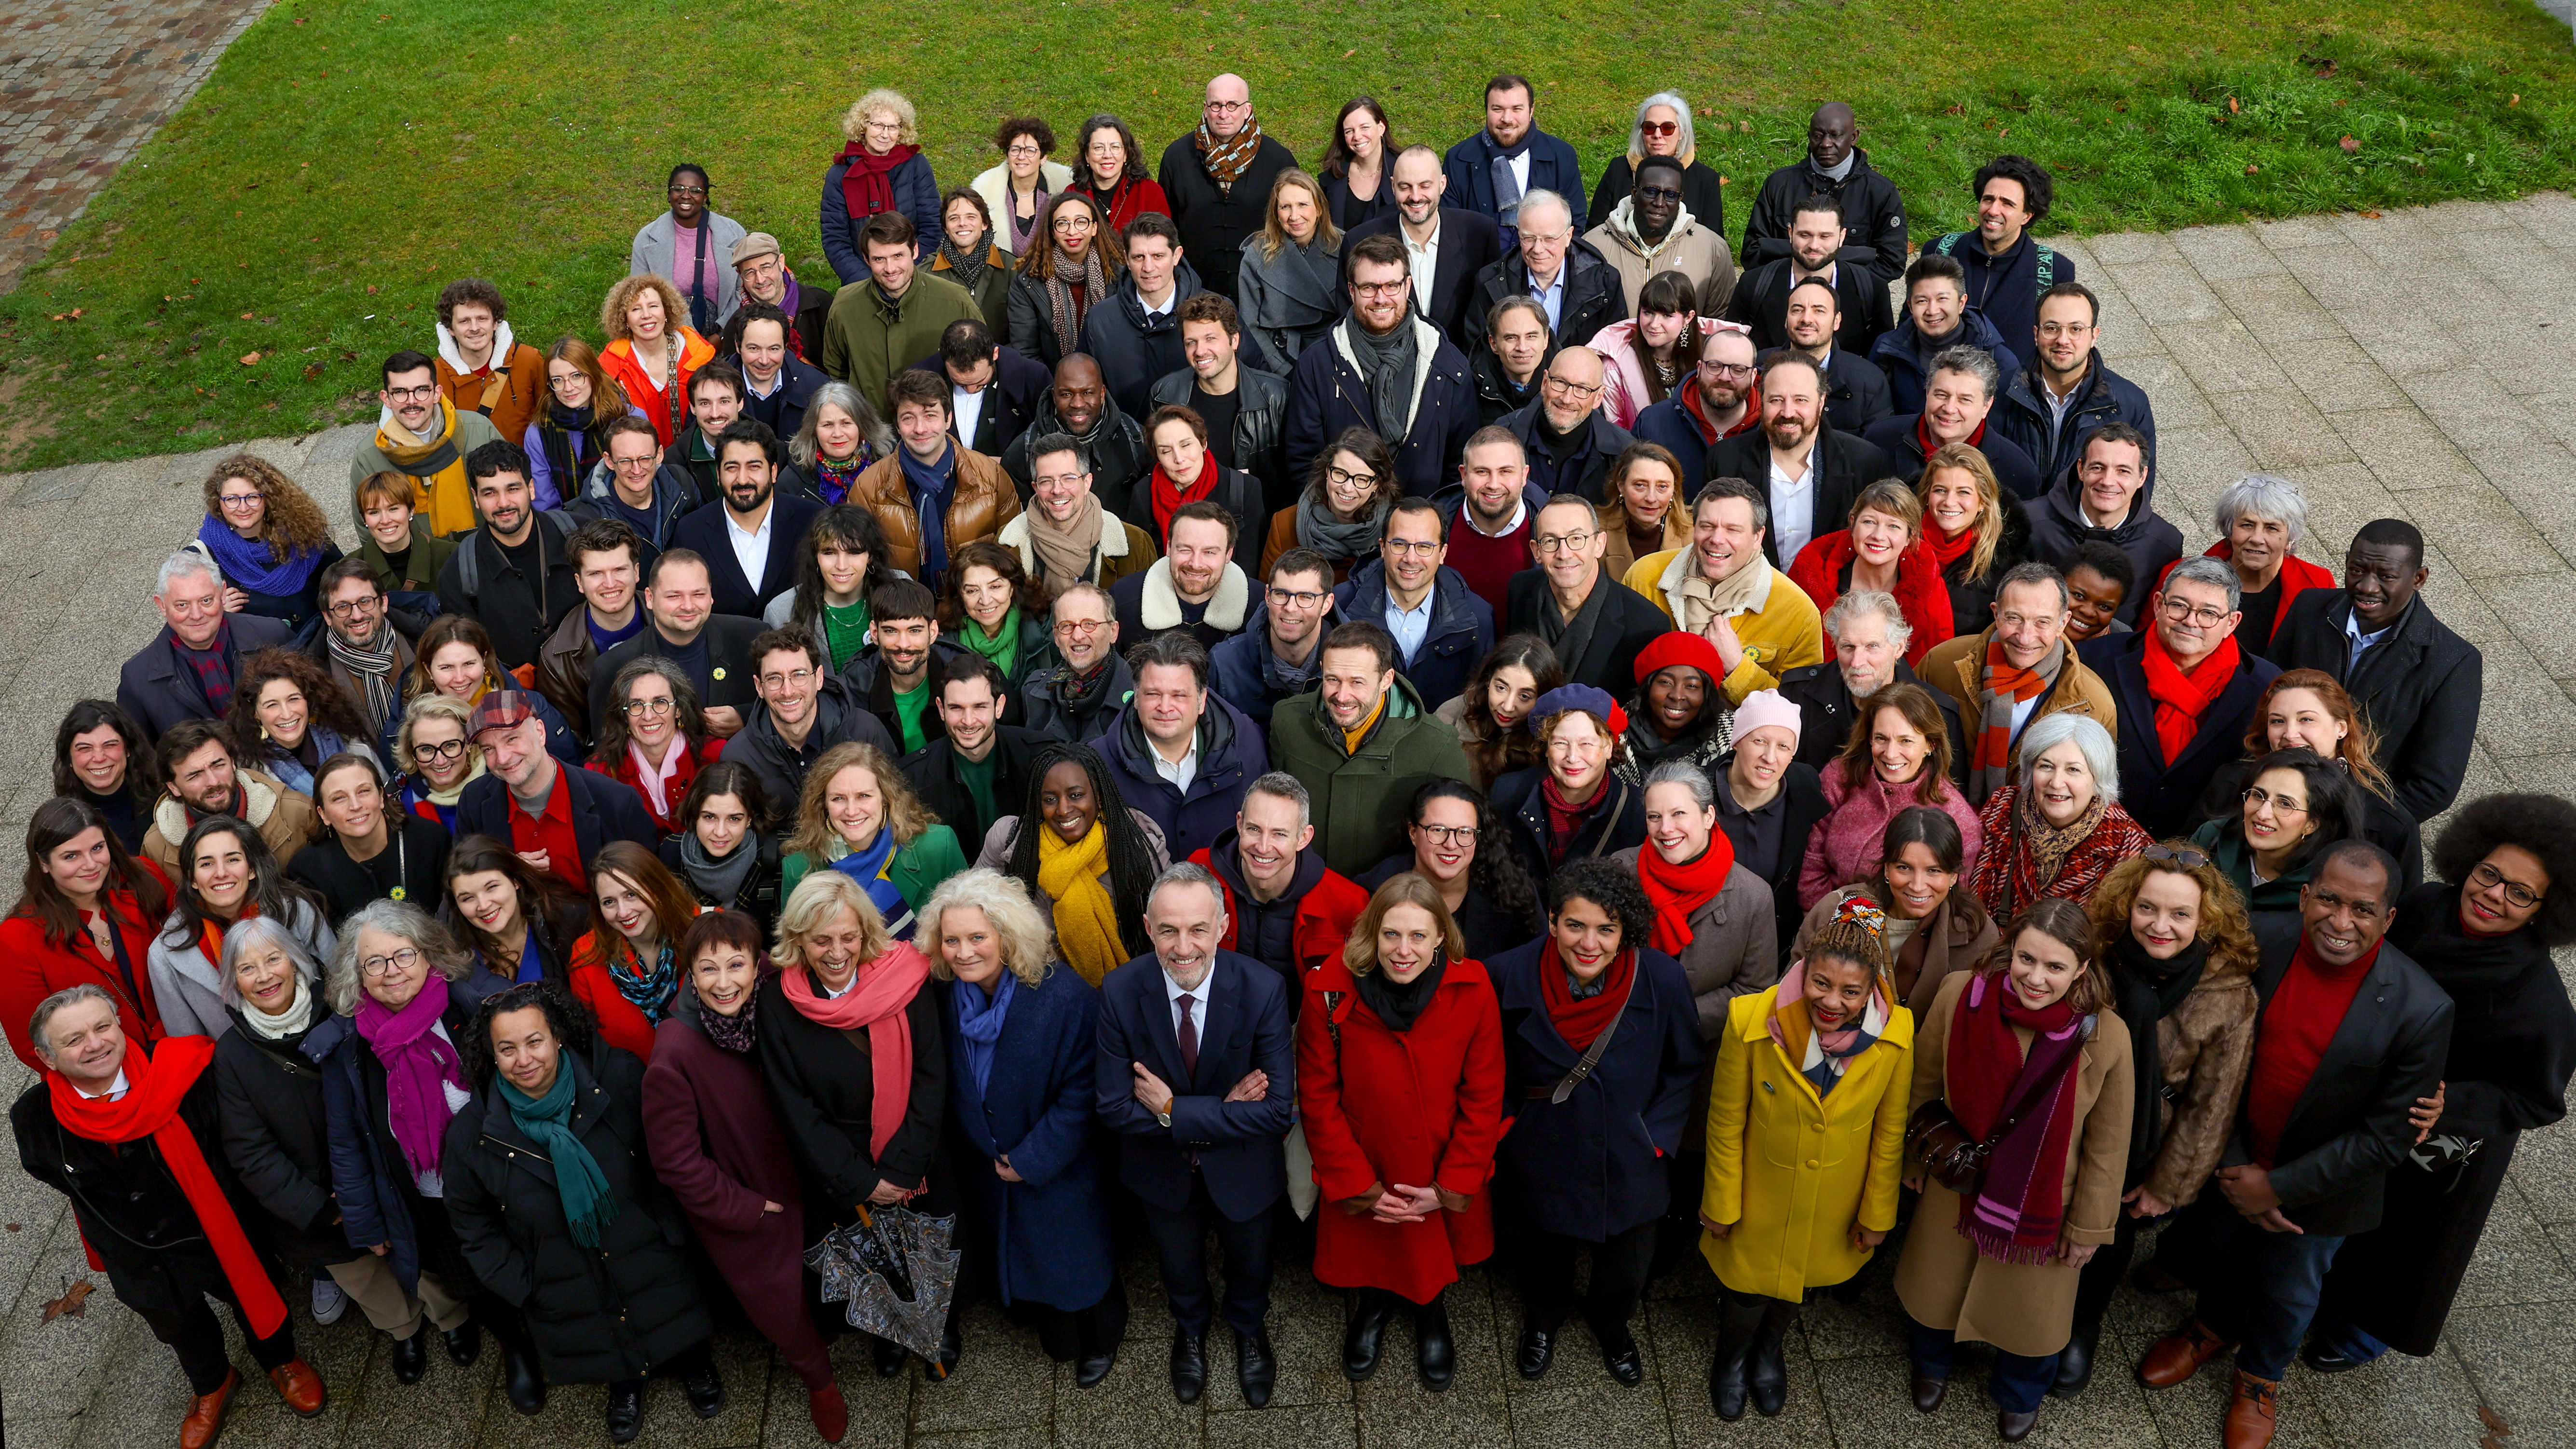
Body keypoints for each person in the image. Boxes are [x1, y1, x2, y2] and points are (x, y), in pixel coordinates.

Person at [2135, 842, 2449, 1449]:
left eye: (2363, 909)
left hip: (2323, 1191)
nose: (2341, 920)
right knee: (2223, 1250)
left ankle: (2259, 1378)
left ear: (2387, 918)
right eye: (2328, 899)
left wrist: (2276, 1187)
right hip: (2235, 1156)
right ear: (2305, 897)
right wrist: (2236, 1165)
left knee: (2290, 1289)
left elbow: (2387, 1135)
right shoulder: (2261, 941)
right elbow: (2214, 1059)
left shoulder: (2424, 1008)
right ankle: (2210, 1327)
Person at [2308, 795, 2576, 1373]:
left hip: (2441, 1136)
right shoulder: (2425, 904)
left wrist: (2451, 1101)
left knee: (2403, 1241)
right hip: (2368, 1089)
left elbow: (2537, 1098)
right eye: (2489, 873)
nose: (2493, 894)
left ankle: (2360, 1329)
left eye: (2520, 892)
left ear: (2545, 910)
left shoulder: (2542, 1005)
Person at [13, 985, 328, 1440]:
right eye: (74, 1039)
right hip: (135, 1252)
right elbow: (52, 1172)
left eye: (103, 1026)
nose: (96, 1044)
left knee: (250, 1291)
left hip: (212, 1229)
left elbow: (231, 1147)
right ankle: (213, 1381)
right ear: (47, 1057)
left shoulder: (185, 1071)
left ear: (119, 1025)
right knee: (177, 1323)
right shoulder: (32, 1119)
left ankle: (280, 1359)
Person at [1895, 899, 2133, 1442]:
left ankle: (2019, 1393)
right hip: (1957, 1184)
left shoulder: (2107, 1035)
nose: (2035, 977)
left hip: (2045, 1204)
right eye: (2026, 959)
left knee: (2031, 1321)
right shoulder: (1960, 993)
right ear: (2009, 949)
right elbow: (1923, 1084)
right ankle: (1931, 1362)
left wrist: (2088, 1226)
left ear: (2082, 968)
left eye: (2055, 966)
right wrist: (1914, 1157)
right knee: (1936, 1289)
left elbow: (2108, 1145)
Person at [446, 980, 723, 1439]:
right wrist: (523, 1284)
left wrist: (669, 1229)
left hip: (649, 1252)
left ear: (557, 1036)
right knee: (605, 1335)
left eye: (535, 1041)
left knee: (673, 1320)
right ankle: (625, 1382)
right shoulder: (471, 1135)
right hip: (561, 1278)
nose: (524, 1059)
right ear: (492, 1055)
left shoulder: (620, 1078)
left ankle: (694, 1362)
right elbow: (472, 1223)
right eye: (507, 1049)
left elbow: (667, 1156)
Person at [313, 900, 546, 1412]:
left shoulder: (471, 1007)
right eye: (375, 961)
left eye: (403, 954)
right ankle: (516, 1346)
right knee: (472, 1278)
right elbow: (347, 1139)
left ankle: (556, 1329)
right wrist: (365, 1220)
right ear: (358, 973)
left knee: (537, 1257)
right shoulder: (349, 1044)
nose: (392, 970)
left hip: (506, 1175)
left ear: (427, 954)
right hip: (429, 1194)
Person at [2051, 842, 2261, 1395]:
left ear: (2205, 918)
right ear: (2128, 904)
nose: (2159, 925)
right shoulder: (2097, 951)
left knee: (2110, 1234)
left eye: (2179, 913)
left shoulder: (2228, 992)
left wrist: (2168, 1185)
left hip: (2146, 1135)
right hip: (2072, 1108)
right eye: (2147, 907)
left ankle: (2082, 1326)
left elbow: (2213, 1103)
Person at [213, 915, 456, 1384]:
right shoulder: (232, 1055)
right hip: (318, 1203)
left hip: (381, 1169)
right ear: (233, 981)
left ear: (295, 960)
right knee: (364, 1276)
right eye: (247, 968)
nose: (264, 976)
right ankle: (403, 1329)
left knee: (420, 1250)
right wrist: (319, 1207)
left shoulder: (341, 1005)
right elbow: (250, 1153)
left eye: (273, 958)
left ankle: (451, 1318)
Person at [1489, 859, 1704, 1384]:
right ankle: (1542, 1320)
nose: (1589, 943)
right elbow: (1486, 1066)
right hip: (1544, 1143)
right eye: (1575, 925)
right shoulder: (1505, 974)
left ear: (1624, 931)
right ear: (1552, 920)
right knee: (1543, 1250)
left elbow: (1684, 1065)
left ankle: (1612, 1327)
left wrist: (1655, 1140)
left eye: (1606, 929)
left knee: (1627, 1263)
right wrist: (1510, 1127)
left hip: (1630, 1152)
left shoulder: (1662, 978)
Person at [1698, 895, 1910, 1422]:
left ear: (1871, 989)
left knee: (1798, 1282)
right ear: (1803, 969)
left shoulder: (1897, 1034)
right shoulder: (1750, 1019)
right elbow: (1724, 1123)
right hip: (1758, 1195)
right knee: (1746, 1289)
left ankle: (1768, 1352)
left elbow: (1888, 1134)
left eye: (1850, 991)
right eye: (1821, 983)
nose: (1832, 1001)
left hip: (1831, 1201)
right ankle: (1732, 1358)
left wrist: (1876, 1214)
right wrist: (1720, 1202)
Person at [1093, 862, 1297, 1405]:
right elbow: (1113, 1107)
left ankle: (1249, 1327)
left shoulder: (1263, 989)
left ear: (1222, 926)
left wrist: (1170, 1109)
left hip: (1244, 1170)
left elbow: (1277, 1110)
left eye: (1198, 929)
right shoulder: (1119, 990)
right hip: (1162, 1173)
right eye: (1168, 930)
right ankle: (1190, 1327)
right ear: (1148, 927)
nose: (1183, 948)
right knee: (1178, 1263)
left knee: (1251, 1261)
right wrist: (1222, 1111)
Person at [640, 911, 848, 1440]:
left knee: (827, 1272)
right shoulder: (674, 1051)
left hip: (811, 1175)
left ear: (758, 965)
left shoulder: (781, 1001)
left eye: (736, 965)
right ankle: (820, 1382)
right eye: (708, 969)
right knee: (782, 1306)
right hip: (754, 1198)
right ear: (690, 974)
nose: (724, 982)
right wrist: (748, 1207)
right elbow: (677, 1163)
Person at [919, 872, 1131, 1389]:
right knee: (1028, 1270)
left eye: (978, 937)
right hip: (988, 1165)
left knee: (1077, 1266)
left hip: (1057, 1166)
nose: (963, 952)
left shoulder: (1064, 996)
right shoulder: (943, 995)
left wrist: (1031, 1159)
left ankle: (1104, 1335)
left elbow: (1083, 1092)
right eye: (951, 939)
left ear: (1007, 935)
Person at [1299, 872, 1504, 1391]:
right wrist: (1360, 1186)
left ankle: (1431, 1310)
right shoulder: (1327, 988)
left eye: (1418, 935)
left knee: (1428, 1247)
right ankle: (1372, 1305)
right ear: (1371, 932)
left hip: (1439, 1156)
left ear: (1440, 937)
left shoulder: (1474, 986)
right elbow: (1317, 1097)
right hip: (1365, 1154)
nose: (1403, 950)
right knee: (1374, 1245)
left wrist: (1450, 1186)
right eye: (1390, 934)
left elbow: (1484, 1094)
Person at [756, 865, 959, 1387]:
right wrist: (860, 1179)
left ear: (866, 932)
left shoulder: (907, 978)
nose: (836, 951)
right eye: (821, 939)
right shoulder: (777, 1002)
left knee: (928, 1247)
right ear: (798, 938)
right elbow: (794, 1105)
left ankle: (940, 1323)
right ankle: (892, 1330)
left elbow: (932, 1076)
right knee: (869, 1257)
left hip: (912, 1147)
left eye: (848, 936)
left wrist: (901, 1167)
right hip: (840, 1161)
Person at [2269, 518, 2481, 823]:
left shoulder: (2454, 662)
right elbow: (2265, 698)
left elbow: (2433, 788)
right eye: (2357, 570)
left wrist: (2340, 823)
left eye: (2387, 576)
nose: (2367, 587)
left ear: (2419, 578)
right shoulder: (2308, 608)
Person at [2079, 554, 2283, 840]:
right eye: (2178, 606)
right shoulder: (2095, 660)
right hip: (2092, 833)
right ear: (2158, 604)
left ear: (2232, 622)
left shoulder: (2266, 688)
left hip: (2197, 848)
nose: (2190, 621)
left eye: (2209, 613)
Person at [1269, 621, 1474, 877]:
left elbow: (1462, 836)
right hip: (1305, 887)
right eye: (1333, 679)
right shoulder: (1288, 722)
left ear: (1386, 680)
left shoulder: (1437, 745)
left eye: (1357, 682)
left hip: (1387, 894)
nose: (1342, 696)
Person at [2194, 668, 2424, 894]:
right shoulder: (2231, 783)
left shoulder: (2389, 824)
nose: (2290, 734)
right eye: (2277, 721)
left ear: (2341, 728)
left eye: (2306, 719)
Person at [1285, 232, 1479, 498]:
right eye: (1369, 287)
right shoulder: (1317, 365)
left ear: (1407, 286)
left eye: (1391, 286)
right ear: (1351, 290)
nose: (1381, 298)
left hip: (1424, 519)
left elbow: (1461, 465)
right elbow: (1304, 461)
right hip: (1344, 518)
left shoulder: (1448, 364)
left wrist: (1430, 517)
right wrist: (1337, 515)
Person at [1917, 561, 2116, 802]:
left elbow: (2094, 795)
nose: (2025, 637)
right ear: (1996, 613)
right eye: (2014, 618)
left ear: (2063, 623)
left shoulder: (2094, 704)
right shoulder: (1941, 664)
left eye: (2042, 622)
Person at [0, 798, 172, 1073]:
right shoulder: (16, 938)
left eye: (97, 848)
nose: (91, 864)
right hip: (102, 1076)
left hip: (179, 1047)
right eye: (71, 856)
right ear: (43, 863)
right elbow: (32, 1044)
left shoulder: (143, 879)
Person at [1626, 478, 1829, 705]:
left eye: (1733, 530)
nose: (1717, 539)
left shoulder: (1798, 611)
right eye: (1707, 526)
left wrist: (1737, 667)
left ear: (1758, 537)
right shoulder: (1644, 577)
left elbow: (1799, 709)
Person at [1178, 771, 1369, 999]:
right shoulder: (1199, 872)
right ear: (1239, 824)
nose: (1263, 847)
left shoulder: (1349, 903)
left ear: (1304, 838)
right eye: (1254, 829)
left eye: (1279, 834)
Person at [146, 814, 337, 1039]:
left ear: (252, 869)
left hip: (319, 1045)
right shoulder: (164, 954)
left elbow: (339, 990)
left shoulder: (296, 911)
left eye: (233, 860)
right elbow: (190, 1044)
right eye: (207, 864)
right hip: (233, 1061)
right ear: (193, 879)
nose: (221, 873)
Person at [452, 690, 661, 894]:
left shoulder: (616, 802)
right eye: (489, 749)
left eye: (511, 739)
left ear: (540, 733)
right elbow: (463, 878)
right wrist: (506, 870)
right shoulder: (474, 801)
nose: (503, 758)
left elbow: (653, 885)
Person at [1798, 682, 1981, 908]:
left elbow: (1951, 902)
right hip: (1828, 916)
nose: (1891, 754)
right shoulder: (1840, 778)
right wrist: (1824, 916)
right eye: (1881, 738)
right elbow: (1812, 862)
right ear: (1869, 738)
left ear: (1931, 745)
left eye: (1906, 741)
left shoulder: (1958, 819)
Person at [1702, 355, 1891, 572]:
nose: (1788, 413)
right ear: (1762, 401)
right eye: (1776, 400)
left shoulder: (1864, 461)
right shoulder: (1725, 460)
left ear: (1821, 401)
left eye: (1801, 400)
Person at [1968, 712, 2152, 921]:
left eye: (2073, 770)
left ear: (2098, 778)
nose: (2056, 783)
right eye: (2046, 766)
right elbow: (1973, 907)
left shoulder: (2130, 848)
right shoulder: (2002, 810)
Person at [777, 735, 971, 931]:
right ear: (824, 805)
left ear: (885, 798)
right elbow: (794, 946)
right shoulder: (798, 870)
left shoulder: (939, 848)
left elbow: (968, 930)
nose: (852, 811)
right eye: (838, 798)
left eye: (864, 796)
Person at [585, 551, 767, 749]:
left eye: (699, 594)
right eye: (674, 596)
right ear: (650, 598)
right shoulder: (612, 668)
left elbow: (785, 703)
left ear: (711, 595)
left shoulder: (753, 638)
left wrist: (745, 718)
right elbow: (607, 751)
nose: (688, 606)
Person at [1922, 156, 2078, 379]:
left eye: (2007, 203)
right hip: (1938, 384)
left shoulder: (2054, 271)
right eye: (1988, 199)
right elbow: (1910, 323)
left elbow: (2060, 346)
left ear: (2027, 216)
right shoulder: (1939, 251)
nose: (1993, 211)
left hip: (2011, 388)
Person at [119, 549, 298, 744]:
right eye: (182, 605)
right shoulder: (137, 679)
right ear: (162, 605)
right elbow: (141, 756)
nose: (196, 615)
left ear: (222, 593)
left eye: (206, 601)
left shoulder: (273, 636)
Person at [1502, 491, 1673, 695]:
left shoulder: (1647, 625)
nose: (1564, 554)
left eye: (1577, 539)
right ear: (1536, 551)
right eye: (1550, 541)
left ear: (1599, 545)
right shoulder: (1521, 590)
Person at [1331, 497, 1493, 711]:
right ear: (1383, 547)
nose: (1411, 558)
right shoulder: (1341, 605)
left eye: (1424, 547)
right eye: (1400, 544)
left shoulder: (1477, 619)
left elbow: (1479, 705)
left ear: (1442, 553)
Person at [434, 441, 581, 674]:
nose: (503, 503)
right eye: (490, 493)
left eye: (513, 489)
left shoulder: (581, 535)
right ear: (475, 498)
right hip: (516, 692)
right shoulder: (456, 575)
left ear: (531, 488)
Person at [1341, 144, 1506, 350]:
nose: (1416, 196)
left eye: (1425, 186)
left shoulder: (1479, 233)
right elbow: (1349, 320)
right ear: (1393, 187)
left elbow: (1492, 313)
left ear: (1442, 185)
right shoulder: (1358, 241)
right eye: (1405, 187)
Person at [1993, 283, 2157, 486]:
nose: (2063, 340)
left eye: (2076, 329)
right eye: (2051, 328)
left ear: (2094, 336)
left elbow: (2138, 486)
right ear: (2036, 334)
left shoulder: (2131, 404)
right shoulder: (1997, 391)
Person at [1358, 778, 1541, 960]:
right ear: (1413, 833)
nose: (1451, 845)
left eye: (1464, 832)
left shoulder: (1512, 893)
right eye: (1438, 830)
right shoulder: (1369, 894)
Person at [820, 213, 981, 419]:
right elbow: (837, 371)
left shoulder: (955, 301)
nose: (890, 269)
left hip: (937, 428)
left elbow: (980, 361)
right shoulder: (844, 306)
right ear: (866, 259)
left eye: (898, 256)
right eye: (879, 259)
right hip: (871, 428)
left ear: (915, 251)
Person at [1486, 683, 1649, 883]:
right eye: (1560, 743)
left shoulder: (1637, 812)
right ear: (1546, 747)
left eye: (1586, 744)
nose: (1572, 757)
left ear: (1609, 747)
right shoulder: (1507, 793)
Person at [1158, 73, 1299, 304]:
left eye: (1233, 105)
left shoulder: (1279, 160)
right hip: (1194, 294)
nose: (1224, 114)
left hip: (1262, 294)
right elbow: (1165, 227)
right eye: (1216, 105)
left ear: (1247, 109)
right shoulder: (1177, 157)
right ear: (1206, 109)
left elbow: (1296, 227)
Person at [2025, 422, 2180, 630]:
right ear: (2081, 469)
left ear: (2142, 477)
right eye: (2098, 467)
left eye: (2123, 471)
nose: (2108, 481)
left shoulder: (2164, 544)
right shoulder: (2028, 522)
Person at [1787, 479, 1954, 668]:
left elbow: (1939, 662)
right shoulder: (1808, 578)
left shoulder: (1931, 587)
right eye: (1869, 522)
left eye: (1894, 526)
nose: (1878, 535)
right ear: (1853, 523)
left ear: (1910, 537)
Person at [1087, 213, 1236, 422]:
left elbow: (1252, 379)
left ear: (1176, 256)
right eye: (1139, 257)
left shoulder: (1218, 311)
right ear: (1126, 259)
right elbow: (1085, 390)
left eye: (1158, 256)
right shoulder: (1100, 321)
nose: (1148, 268)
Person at [1716, 691, 1833, 958]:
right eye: (1759, 741)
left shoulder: (1806, 791)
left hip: (1775, 951)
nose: (1770, 757)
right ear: (1737, 741)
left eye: (1783, 747)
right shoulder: (1697, 796)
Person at [1739, 102, 1908, 285]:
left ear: (1853, 137)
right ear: (1809, 137)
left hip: (1850, 294)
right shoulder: (1779, 184)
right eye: (1818, 136)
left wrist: (1836, 283)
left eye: (1836, 136)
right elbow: (1752, 252)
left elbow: (1891, 262)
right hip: (1785, 291)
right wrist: (1798, 281)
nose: (1826, 144)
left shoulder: (1880, 192)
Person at [671, 419, 825, 619]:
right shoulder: (690, 532)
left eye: (754, 467)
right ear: (718, 474)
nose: (743, 479)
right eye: (732, 468)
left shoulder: (812, 520)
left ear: (773, 472)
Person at [387, 614, 582, 769]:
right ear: (428, 669)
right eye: (447, 667)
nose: (460, 678)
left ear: (484, 660)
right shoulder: (409, 721)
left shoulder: (530, 706)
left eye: (469, 664)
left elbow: (566, 766)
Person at [350, 350, 507, 540]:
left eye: (422, 390)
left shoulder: (479, 430)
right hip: (421, 558)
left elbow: (511, 492)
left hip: (487, 547)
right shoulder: (368, 456)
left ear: (437, 394)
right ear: (386, 398)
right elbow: (368, 530)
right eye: (400, 392)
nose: (412, 401)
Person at [564, 840, 699, 1060]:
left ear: (656, 889)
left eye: (631, 895)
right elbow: (587, 1041)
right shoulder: (587, 956)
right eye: (609, 902)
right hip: (634, 1078)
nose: (623, 912)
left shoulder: (704, 931)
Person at [1154, 294, 1292, 508]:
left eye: (1210, 338)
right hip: (1189, 518)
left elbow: (1291, 475)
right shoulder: (1164, 395)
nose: (1200, 351)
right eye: (1191, 342)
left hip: (1257, 519)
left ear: (1234, 340)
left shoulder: (1277, 395)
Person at [2178, 474, 2336, 659]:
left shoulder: (2318, 584)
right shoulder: (2180, 577)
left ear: (2290, 539)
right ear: (2230, 530)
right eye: (2247, 525)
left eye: (2272, 528)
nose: (2257, 539)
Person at [2189, 747, 2361, 915]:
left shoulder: (2325, 889)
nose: (2263, 814)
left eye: (2285, 804)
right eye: (2258, 795)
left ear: (2312, 824)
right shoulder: (2212, 838)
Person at [999, 431, 1160, 606]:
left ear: (1087, 482)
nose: (1057, 490)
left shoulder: (1135, 544)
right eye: (1046, 481)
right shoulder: (1007, 545)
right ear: (1035, 488)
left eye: (1068, 479)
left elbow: (1148, 611)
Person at [197, 454, 344, 643]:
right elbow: (186, 622)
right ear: (218, 502)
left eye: (252, 497)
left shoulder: (303, 532)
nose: (243, 508)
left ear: (268, 498)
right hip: (264, 657)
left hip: (321, 643)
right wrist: (216, 614)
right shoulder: (202, 556)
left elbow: (344, 579)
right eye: (232, 499)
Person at [1863, 346, 2043, 501]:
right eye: (1941, 395)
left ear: (1987, 406)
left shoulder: (2016, 470)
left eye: (1965, 400)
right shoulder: (1881, 440)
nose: (1949, 409)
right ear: (1927, 393)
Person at [1725, 198, 1897, 361]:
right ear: (1791, 233)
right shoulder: (1753, 284)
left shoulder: (1872, 289)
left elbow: (1882, 360)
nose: (1814, 245)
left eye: (1825, 236)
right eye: (1805, 235)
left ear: (1842, 237)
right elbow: (1732, 352)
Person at [139, 718, 318, 874]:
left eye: (218, 765)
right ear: (174, 787)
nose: (213, 781)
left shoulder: (298, 812)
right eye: (195, 775)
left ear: (233, 762)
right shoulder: (157, 846)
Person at [1465, 189, 1623, 365]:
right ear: (1519, 234)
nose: (1538, 249)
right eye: (1528, 238)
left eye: (1549, 239)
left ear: (1569, 236)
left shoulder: (1604, 283)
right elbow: (1477, 354)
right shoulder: (1490, 284)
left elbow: (1615, 354)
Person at [289, 751, 452, 920]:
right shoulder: (308, 870)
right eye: (339, 798)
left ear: (381, 796)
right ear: (323, 813)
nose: (355, 805)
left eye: (364, 791)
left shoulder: (431, 840)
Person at [902, 653, 1041, 850]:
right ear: (941, 710)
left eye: (980, 707)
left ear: (999, 706)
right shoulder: (914, 779)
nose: (968, 721)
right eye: (956, 708)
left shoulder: (1039, 757)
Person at [528, 516, 645, 743]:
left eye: (619, 570)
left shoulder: (671, 619)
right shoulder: (556, 660)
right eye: (595, 574)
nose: (610, 583)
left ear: (636, 572)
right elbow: (573, 743)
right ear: (579, 582)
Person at [1869, 253, 2022, 417]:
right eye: (1922, 301)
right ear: (1910, 306)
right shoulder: (1886, 349)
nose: (1932, 311)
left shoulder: (1999, 361)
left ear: (1961, 303)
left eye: (1942, 299)